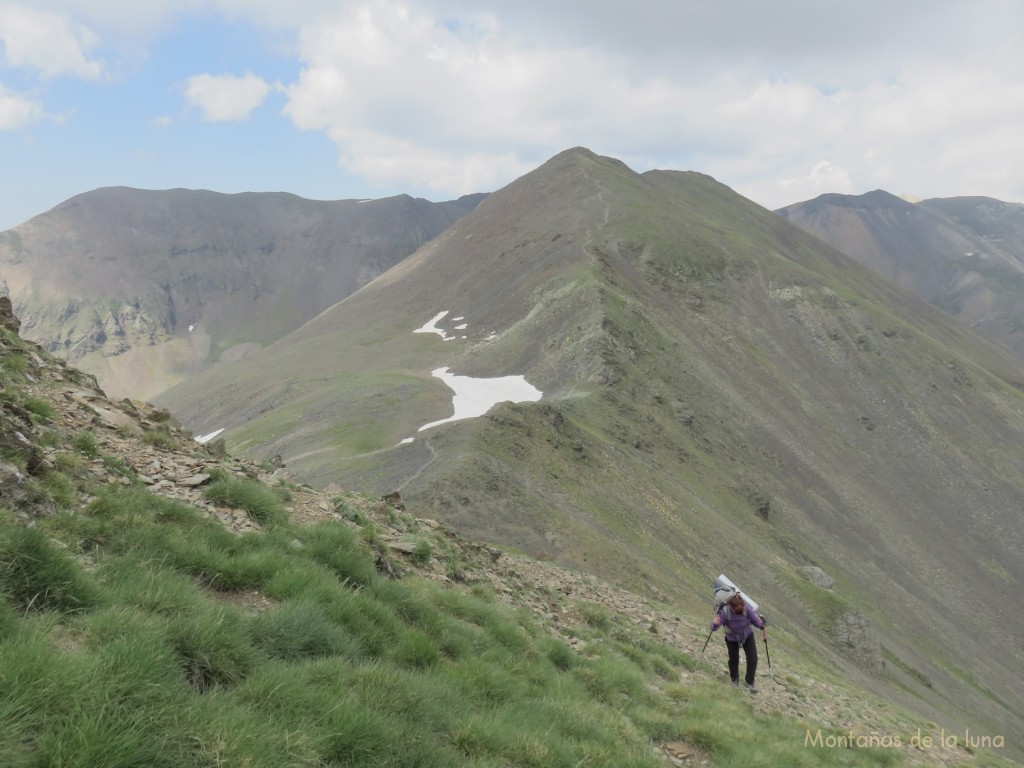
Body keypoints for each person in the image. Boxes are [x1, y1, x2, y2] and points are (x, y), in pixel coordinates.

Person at [710, 589, 766, 692]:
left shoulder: (746, 609)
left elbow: (755, 620)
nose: (739, 614)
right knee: (734, 659)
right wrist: (714, 623)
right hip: (731, 638)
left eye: (741, 611)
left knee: (753, 659)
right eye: (737, 612)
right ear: (731, 607)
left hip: (747, 635)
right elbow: (713, 628)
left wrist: (761, 625)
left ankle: (749, 682)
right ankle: (734, 680)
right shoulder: (725, 612)